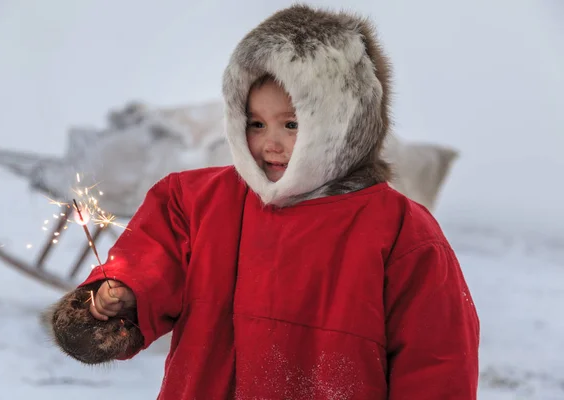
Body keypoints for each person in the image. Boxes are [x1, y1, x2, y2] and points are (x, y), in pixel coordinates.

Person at [46, 4, 480, 399]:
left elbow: (437, 362)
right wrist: (120, 295)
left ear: (339, 122)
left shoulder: (402, 231)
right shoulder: (196, 200)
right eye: (255, 123)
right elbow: (150, 261)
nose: (269, 143)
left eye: (291, 123)